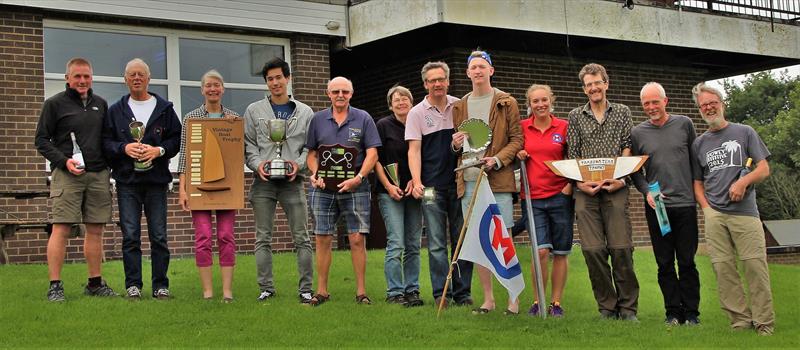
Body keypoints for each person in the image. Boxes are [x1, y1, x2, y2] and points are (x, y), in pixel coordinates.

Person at [691, 83, 774, 336]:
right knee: (724, 269)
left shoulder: (744, 132)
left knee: (754, 267)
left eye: (712, 102)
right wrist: (707, 209)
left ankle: (764, 325)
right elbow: (697, 183)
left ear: (722, 103)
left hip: (745, 214)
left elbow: (763, 168)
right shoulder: (699, 144)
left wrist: (742, 181)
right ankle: (739, 322)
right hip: (715, 214)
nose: (708, 107)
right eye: (703, 104)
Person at [35, 57, 118, 301]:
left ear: (92, 78)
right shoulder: (54, 104)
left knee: (95, 230)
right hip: (66, 175)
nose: (82, 81)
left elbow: (106, 139)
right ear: (67, 78)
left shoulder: (101, 104)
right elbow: (40, 140)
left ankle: (94, 283)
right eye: (77, 76)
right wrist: (64, 161)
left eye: (86, 76)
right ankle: (55, 286)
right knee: (61, 228)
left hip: (98, 175)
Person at [103, 58, 181, 300]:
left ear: (148, 78)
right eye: (132, 75)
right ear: (125, 79)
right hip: (127, 182)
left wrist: (158, 151)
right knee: (131, 236)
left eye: (141, 74)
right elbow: (106, 142)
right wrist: (124, 148)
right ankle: (133, 285)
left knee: (159, 235)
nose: (136, 78)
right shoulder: (116, 110)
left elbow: (177, 140)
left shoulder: (164, 108)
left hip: (157, 181)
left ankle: (161, 285)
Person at [452, 50, 523, 315]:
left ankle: (513, 298)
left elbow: (517, 140)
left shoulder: (506, 102)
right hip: (469, 180)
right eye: (473, 67)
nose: (478, 71)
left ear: (491, 71)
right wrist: (454, 143)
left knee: (501, 237)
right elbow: (459, 145)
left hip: (498, 180)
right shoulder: (460, 106)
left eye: (482, 66)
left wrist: (497, 159)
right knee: (478, 238)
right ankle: (488, 299)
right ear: (468, 73)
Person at [566, 63, 639, 321]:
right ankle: (607, 307)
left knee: (621, 247)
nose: (594, 88)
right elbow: (572, 153)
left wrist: (621, 178)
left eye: (597, 82)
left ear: (606, 83)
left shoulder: (622, 112)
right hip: (586, 191)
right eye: (588, 84)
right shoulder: (575, 116)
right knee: (593, 249)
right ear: (584, 89)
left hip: (616, 187)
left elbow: (627, 146)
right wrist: (579, 184)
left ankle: (628, 308)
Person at [244, 57, 315, 304]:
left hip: (293, 182)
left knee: (302, 237)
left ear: (288, 79)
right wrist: (257, 164)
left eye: (278, 78)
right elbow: (249, 145)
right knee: (262, 237)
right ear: (266, 83)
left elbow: (310, 147)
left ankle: (306, 289)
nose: (275, 83)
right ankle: (266, 288)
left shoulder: (305, 112)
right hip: (263, 182)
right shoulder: (254, 111)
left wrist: (299, 164)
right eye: (270, 79)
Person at [305, 76, 380, 306]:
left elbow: (373, 153)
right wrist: (315, 174)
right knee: (322, 237)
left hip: (355, 185)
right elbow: (311, 154)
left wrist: (359, 178)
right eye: (336, 91)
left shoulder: (364, 118)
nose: (340, 95)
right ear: (328, 93)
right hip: (324, 187)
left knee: (357, 238)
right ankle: (322, 291)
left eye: (345, 92)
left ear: (351, 93)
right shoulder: (317, 119)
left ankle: (361, 292)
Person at [631, 82, 700, 326]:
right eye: (646, 104)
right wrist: (646, 191)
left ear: (665, 101)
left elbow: (696, 162)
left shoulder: (684, 124)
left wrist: (699, 195)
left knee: (687, 261)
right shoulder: (637, 133)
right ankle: (673, 313)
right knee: (664, 263)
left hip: (685, 205)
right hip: (657, 207)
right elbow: (635, 171)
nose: (651, 107)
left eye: (655, 102)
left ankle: (692, 314)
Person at [406, 61, 471, 308]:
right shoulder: (416, 113)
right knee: (435, 242)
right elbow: (414, 150)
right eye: (432, 80)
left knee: (461, 239)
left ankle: (463, 294)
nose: (437, 84)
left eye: (441, 79)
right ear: (425, 84)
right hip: (431, 187)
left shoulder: (459, 106)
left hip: (458, 183)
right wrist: (417, 181)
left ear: (448, 81)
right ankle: (441, 294)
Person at [177, 70, 239, 302]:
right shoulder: (191, 118)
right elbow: (184, 155)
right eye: (208, 86)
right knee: (203, 236)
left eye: (217, 85)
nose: (213, 89)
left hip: (227, 187)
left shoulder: (233, 117)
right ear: (202, 90)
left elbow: (236, 155)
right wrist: (182, 189)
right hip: (198, 186)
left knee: (226, 236)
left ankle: (227, 291)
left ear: (222, 89)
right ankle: (207, 292)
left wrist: (235, 127)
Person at [516, 84, 574, 317]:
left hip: (560, 196)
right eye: (534, 101)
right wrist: (518, 154)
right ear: (528, 104)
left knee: (560, 252)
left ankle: (556, 303)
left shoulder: (564, 127)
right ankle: (538, 300)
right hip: (533, 199)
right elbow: (511, 151)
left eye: (544, 100)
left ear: (552, 101)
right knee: (540, 251)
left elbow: (573, 158)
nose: (540, 104)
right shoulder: (521, 128)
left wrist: (569, 188)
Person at [374, 86, 424, 307]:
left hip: (415, 191)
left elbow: (423, 155)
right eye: (396, 99)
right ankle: (395, 291)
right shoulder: (383, 126)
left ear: (412, 102)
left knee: (413, 244)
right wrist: (388, 185)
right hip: (389, 192)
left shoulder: (419, 122)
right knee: (396, 242)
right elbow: (375, 158)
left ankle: (412, 290)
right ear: (390, 104)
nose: (401, 102)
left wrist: (416, 179)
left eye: (405, 98)